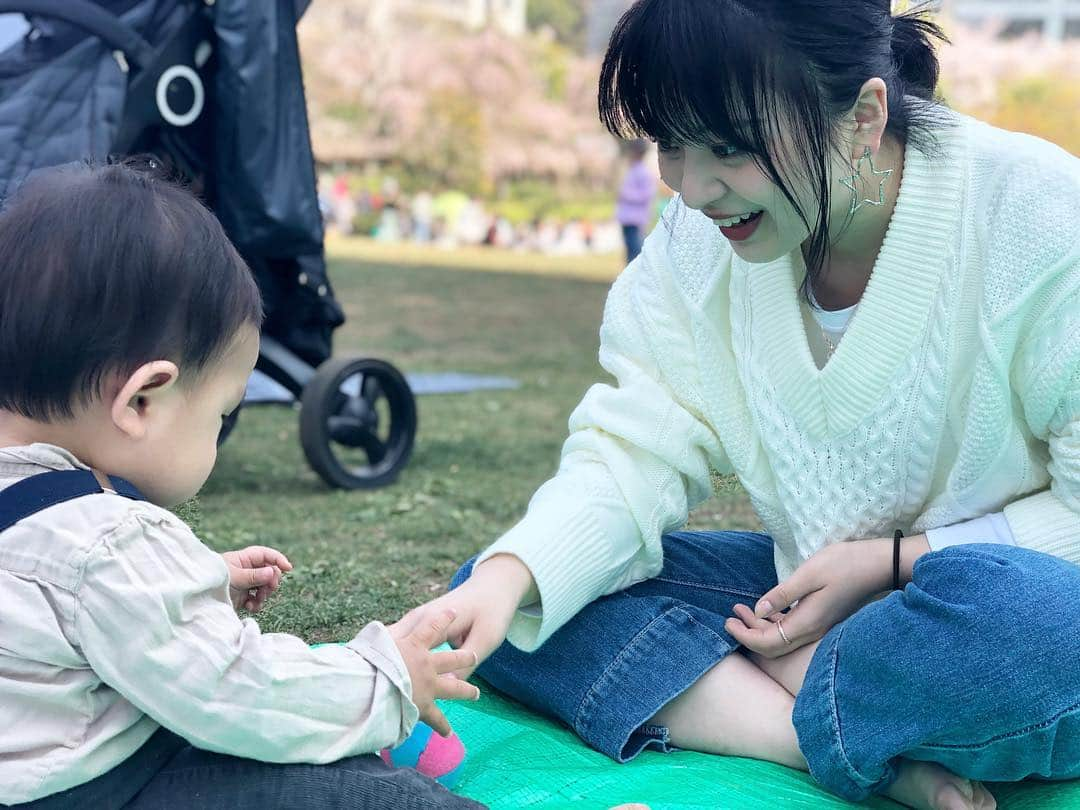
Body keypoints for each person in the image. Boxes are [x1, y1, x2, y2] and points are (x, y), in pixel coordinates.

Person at [393, 2, 1080, 809]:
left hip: (987, 607)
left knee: (1049, 628)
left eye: (729, 146)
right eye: (671, 144)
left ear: (863, 115)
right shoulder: (695, 243)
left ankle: (791, 690)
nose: (690, 186)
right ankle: (815, 735)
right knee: (513, 592)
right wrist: (510, 579)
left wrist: (893, 562)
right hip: (800, 605)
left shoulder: (1037, 215)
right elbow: (634, 449)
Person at [0, 160, 484, 810]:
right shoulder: (109, 540)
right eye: (221, 414)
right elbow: (239, 690)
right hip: (85, 789)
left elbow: (60, 606)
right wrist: (390, 675)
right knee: (346, 793)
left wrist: (191, 576)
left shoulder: (53, 517)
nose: (218, 439)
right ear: (143, 401)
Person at [615, 138, 657, 263]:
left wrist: (627, 195)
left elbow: (647, 194)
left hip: (636, 219)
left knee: (635, 251)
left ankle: (638, 279)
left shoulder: (642, 172)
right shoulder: (632, 170)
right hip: (627, 218)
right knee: (629, 250)